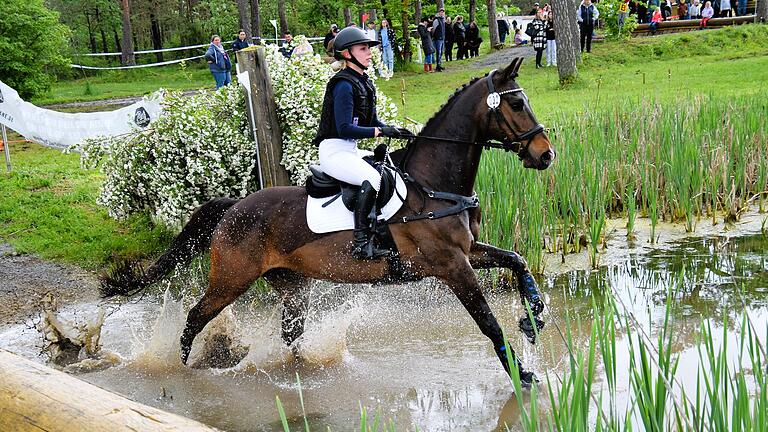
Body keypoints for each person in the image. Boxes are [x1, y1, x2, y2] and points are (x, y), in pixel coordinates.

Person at [312, 27, 410, 260]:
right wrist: (379, 131)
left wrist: (393, 130)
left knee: (392, 171)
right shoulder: (343, 85)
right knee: (373, 178)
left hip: (350, 149)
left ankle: (384, 230)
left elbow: (372, 121)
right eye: (363, 49)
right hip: (333, 151)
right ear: (347, 54)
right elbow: (345, 128)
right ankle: (361, 243)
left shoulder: (364, 82)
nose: (369, 53)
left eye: (369, 49)